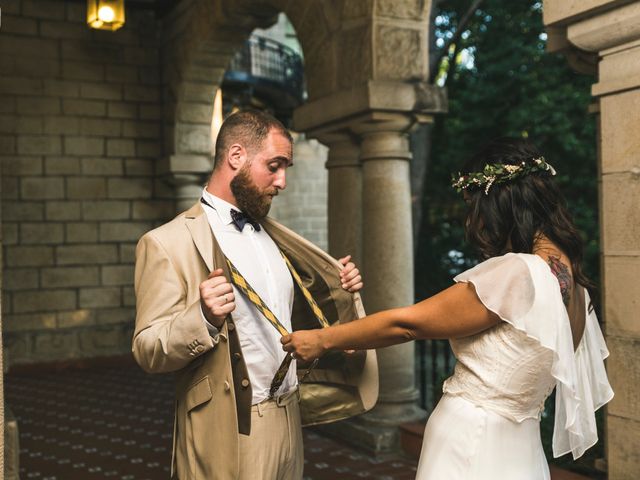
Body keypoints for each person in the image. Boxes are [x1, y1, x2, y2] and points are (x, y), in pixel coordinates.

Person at [282, 137, 614, 480]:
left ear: (500, 202)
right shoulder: (576, 287)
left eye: (475, 207)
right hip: (521, 445)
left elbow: (408, 324)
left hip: (472, 436)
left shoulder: (519, 270)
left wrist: (323, 339)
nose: (476, 221)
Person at [132, 109, 378, 480]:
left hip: (290, 416)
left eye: (286, 169)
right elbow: (147, 350)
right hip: (231, 429)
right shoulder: (165, 243)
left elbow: (295, 318)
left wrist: (344, 294)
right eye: (275, 166)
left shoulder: (276, 237)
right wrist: (202, 318)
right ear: (236, 157)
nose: (282, 182)